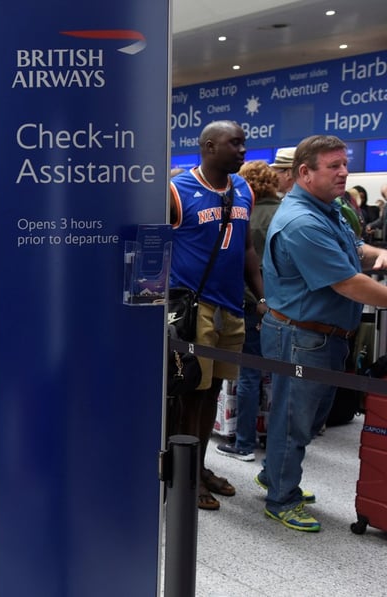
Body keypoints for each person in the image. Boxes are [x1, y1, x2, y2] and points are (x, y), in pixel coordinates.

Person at [256, 134, 387, 532]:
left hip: (323, 336)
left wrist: (376, 253)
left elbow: (353, 247)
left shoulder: (327, 210)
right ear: (304, 172)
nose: (344, 172)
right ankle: (281, 497)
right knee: (294, 421)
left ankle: (275, 473)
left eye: (344, 165)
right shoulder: (302, 222)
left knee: (306, 419)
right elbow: (348, 283)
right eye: (334, 166)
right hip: (301, 337)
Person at [168, 120, 264, 512]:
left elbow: (246, 250)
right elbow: (149, 243)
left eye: (244, 143)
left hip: (230, 307)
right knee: (190, 392)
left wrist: (262, 298)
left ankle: (201, 466)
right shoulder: (177, 191)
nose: (243, 151)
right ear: (209, 146)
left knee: (212, 393)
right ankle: (183, 473)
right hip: (194, 308)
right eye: (235, 144)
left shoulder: (243, 190)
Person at [216, 160, 280, 462]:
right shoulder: (286, 213)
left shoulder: (246, 217)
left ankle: (243, 443)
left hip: (252, 303)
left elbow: (243, 263)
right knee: (280, 375)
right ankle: (274, 442)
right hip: (283, 306)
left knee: (249, 374)